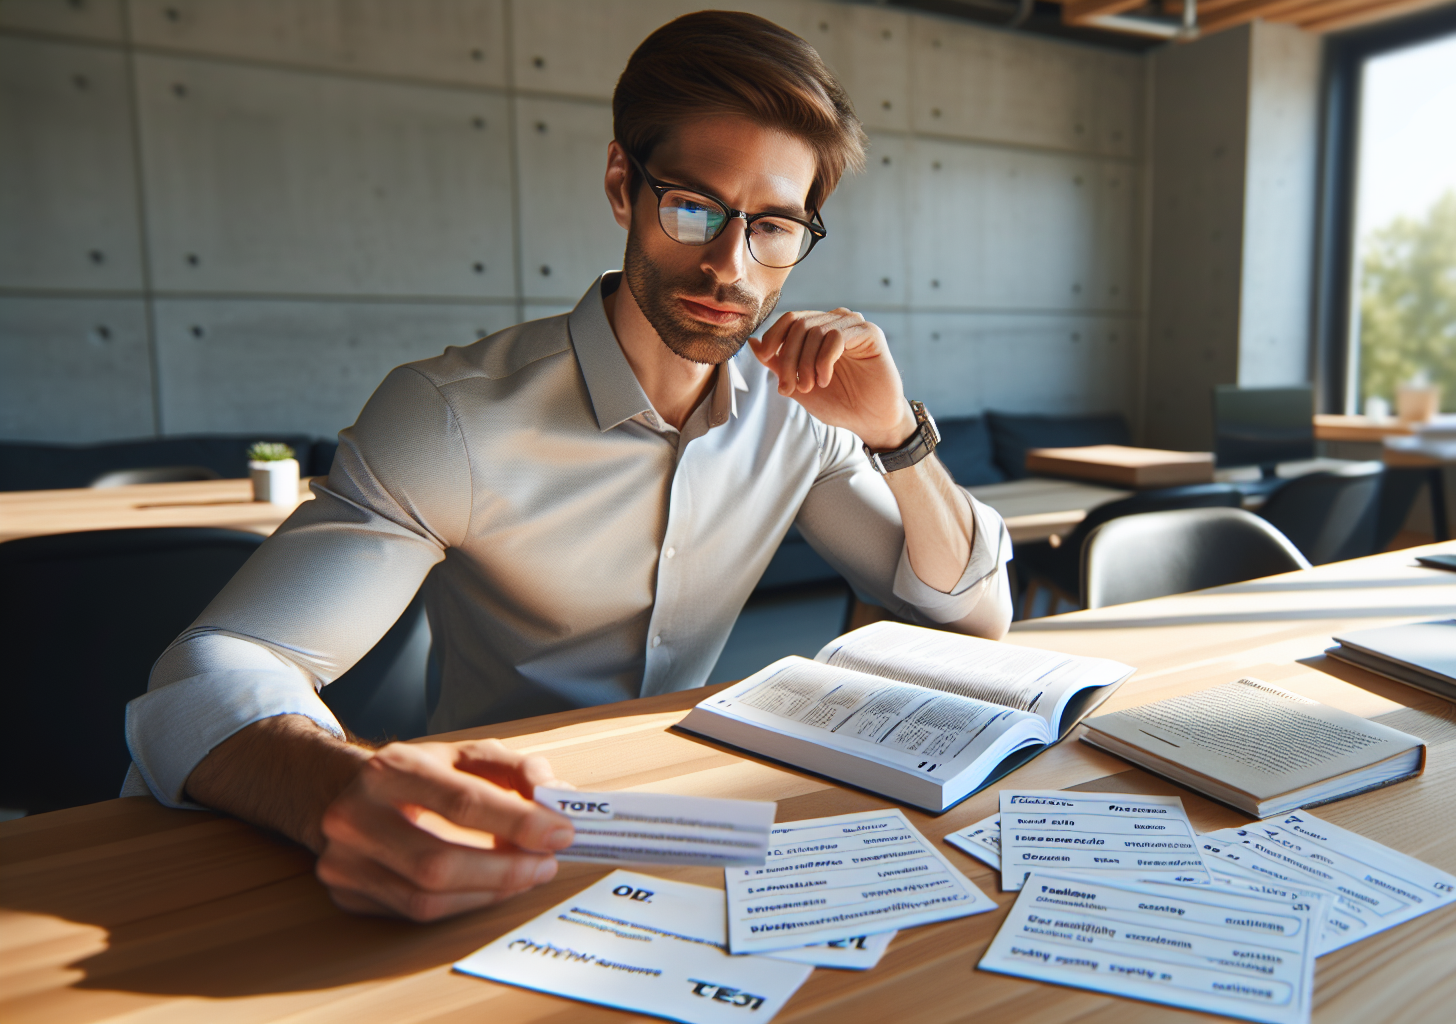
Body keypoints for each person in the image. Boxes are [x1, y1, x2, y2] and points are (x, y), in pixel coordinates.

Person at [120, 11, 1012, 922]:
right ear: (624, 184)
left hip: (699, 823)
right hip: (489, 837)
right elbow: (210, 669)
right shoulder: (453, 415)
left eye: (774, 225)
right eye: (694, 207)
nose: (729, 266)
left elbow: (973, 612)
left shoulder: (797, 414)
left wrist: (897, 433)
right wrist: (334, 788)